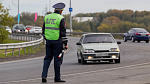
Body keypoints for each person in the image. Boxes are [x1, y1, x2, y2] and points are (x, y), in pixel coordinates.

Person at [41, 2, 68, 83]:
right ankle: (57, 78)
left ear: (54, 9)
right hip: (57, 41)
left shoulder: (47, 17)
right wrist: (65, 44)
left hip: (48, 41)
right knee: (57, 59)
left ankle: (44, 76)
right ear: (61, 11)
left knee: (47, 58)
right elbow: (63, 32)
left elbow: (43, 29)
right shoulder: (61, 18)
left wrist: (46, 38)